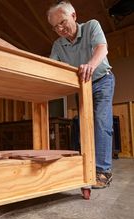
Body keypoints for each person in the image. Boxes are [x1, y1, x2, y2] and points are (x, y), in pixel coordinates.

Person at [47, 0, 115, 189]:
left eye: (62, 22)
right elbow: (52, 67)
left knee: (101, 122)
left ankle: (103, 171)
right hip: (82, 86)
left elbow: (102, 48)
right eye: (55, 27)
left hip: (102, 80)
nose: (60, 28)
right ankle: (85, 166)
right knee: (83, 124)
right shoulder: (58, 45)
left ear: (74, 16)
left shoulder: (91, 26)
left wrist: (90, 66)